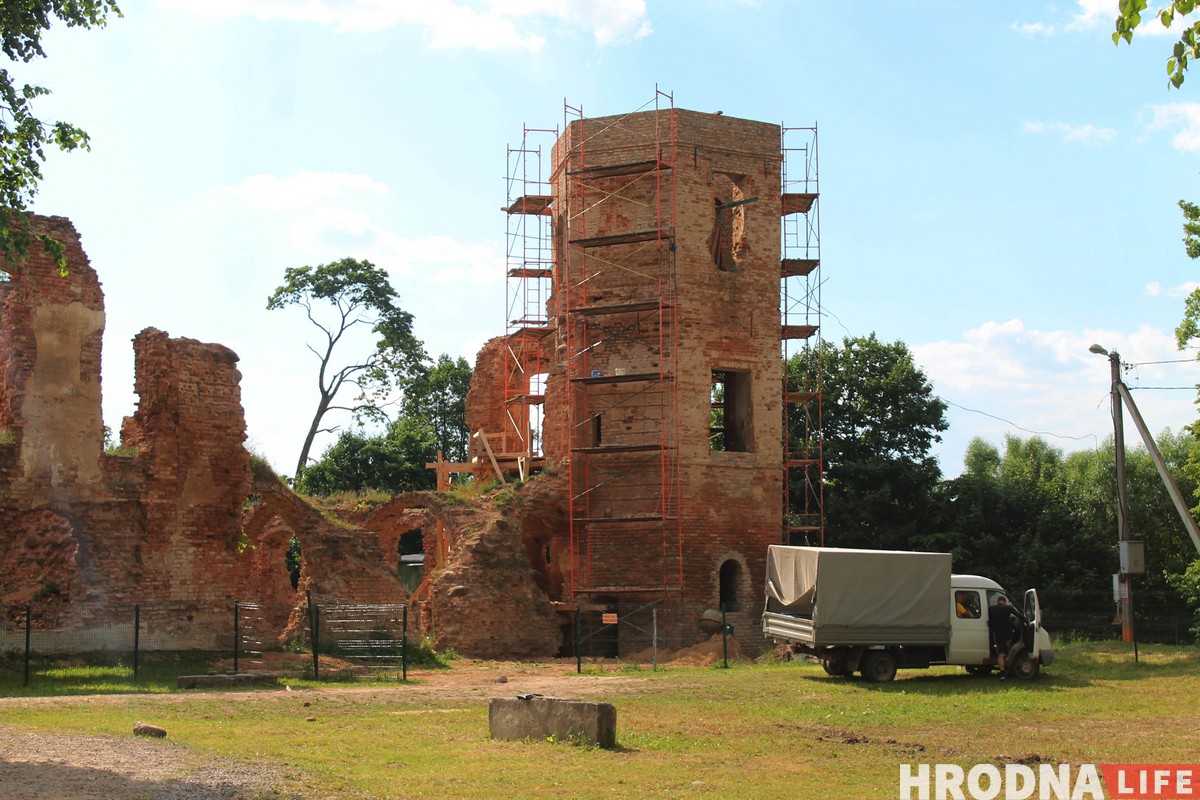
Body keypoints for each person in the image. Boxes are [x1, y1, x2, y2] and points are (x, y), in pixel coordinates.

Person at [987, 595, 1024, 676]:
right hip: (1008, 633)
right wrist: (1028, 622)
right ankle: (1006, 651)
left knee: (1000, 654)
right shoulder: (1008, 608)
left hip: (998, 633)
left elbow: (988, 620)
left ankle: (1002, 673)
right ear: (1004, 601)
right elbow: (1019, 615)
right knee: (1007, 645)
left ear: (998, 601)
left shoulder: (991, 608)